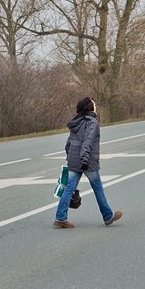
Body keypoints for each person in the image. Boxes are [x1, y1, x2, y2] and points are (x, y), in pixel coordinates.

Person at [54, 97, 122, 228]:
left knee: (69, 189)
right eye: (94, 105)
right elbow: (88, 141)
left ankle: (60, 217)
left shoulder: (76, 122)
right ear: (90, 108)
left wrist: (70, 157)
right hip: (87, 162)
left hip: (75, 160)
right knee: (98, 188)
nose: (96, 107)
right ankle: (108, 216)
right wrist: (84, 159)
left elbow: (69, 143)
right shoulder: (92, 123)